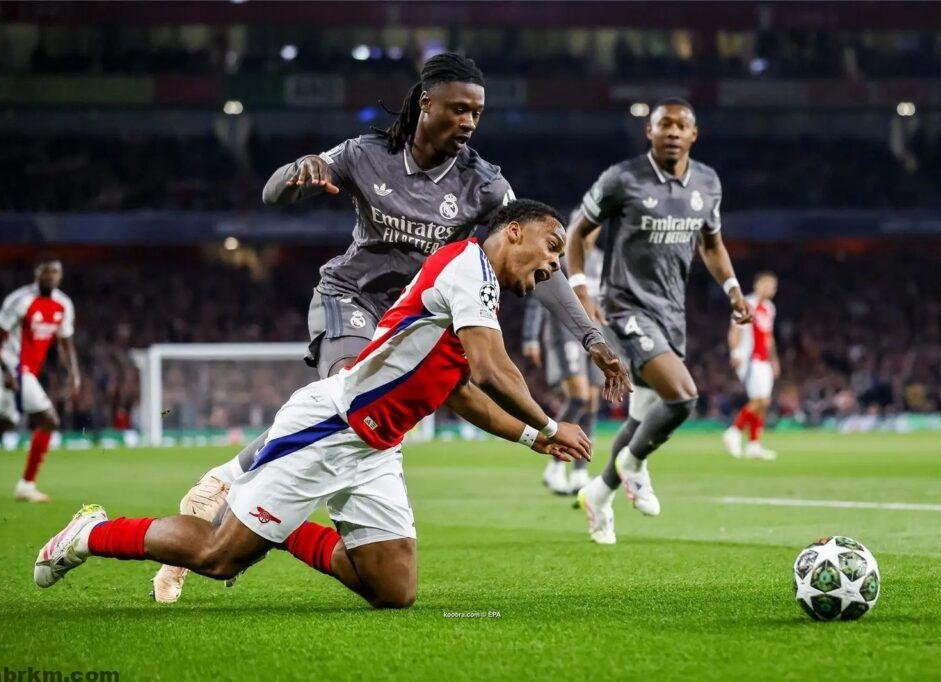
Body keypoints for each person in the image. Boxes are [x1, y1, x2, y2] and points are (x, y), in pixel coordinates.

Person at [151, 52, 629, 602]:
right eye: (459, 109)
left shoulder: (485, 185)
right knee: (350, 395)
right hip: (352, 299)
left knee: (362, 429)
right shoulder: (366, 153)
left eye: (477, 113)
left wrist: (591, 337)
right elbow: (274, 192)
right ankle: (226, 488)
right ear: (426, 103)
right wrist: (298, 172)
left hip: (417, 322)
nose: (469, 122)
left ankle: (251, 516)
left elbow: (544, 264)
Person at [36, 200, 593, 609]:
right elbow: (494, 370)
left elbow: (461, 389)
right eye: (552, 247)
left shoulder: (481, 293)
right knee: (218, 557)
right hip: (330, 426)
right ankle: (89, 534)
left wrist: (531, 437)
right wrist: (550, 424)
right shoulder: (467, 267)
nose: (554, 266)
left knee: (393, 590)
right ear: (513, 231)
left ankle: (279, 526)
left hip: (376, 448)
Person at [567, 98, 753, 544]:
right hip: (625, 307)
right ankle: (633, 465)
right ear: (648, 132)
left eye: (681, 125)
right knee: (683, 396)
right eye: (663, 124)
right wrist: (581, 290)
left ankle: (599, 495)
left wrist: (732, 289)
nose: (672, 131)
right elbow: (577, 232)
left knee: (641, 417)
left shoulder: (707, 183)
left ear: (694, 134)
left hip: (671, 312)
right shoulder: (622, 178)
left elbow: (711, 244)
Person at [0, 254, 80, 502]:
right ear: (37, 273)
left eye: (55, 272)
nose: (51, 276)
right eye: (46, 271)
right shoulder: (21, 300)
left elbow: (66, 343)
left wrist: (74, 373)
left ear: (60, 275)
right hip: (13, 367)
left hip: (26, 372)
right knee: (49, 420)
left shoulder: (64, 304)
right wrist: (5, 370)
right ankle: (26, 485)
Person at [522, 247, 605, 495]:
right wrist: (531, 337)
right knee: (578, 396)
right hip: (565, 331)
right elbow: (540, 292)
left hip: (596, 333)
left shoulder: (599, 259)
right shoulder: (562, 257)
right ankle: (555, 465)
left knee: (592, 401)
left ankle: (579, 472)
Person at [723, 272, 779, 460]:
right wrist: (735, 353)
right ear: (757, 285)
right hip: (750, 359)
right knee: (761, 401)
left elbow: (769, 337)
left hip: (764, 361)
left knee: (763, 403)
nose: (770, 289)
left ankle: (754, 445)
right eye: (767, 284)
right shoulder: (746, 303)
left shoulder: (770, 308)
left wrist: (774, 359)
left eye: (773, 286)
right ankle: (733, 431)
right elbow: (735, 329)